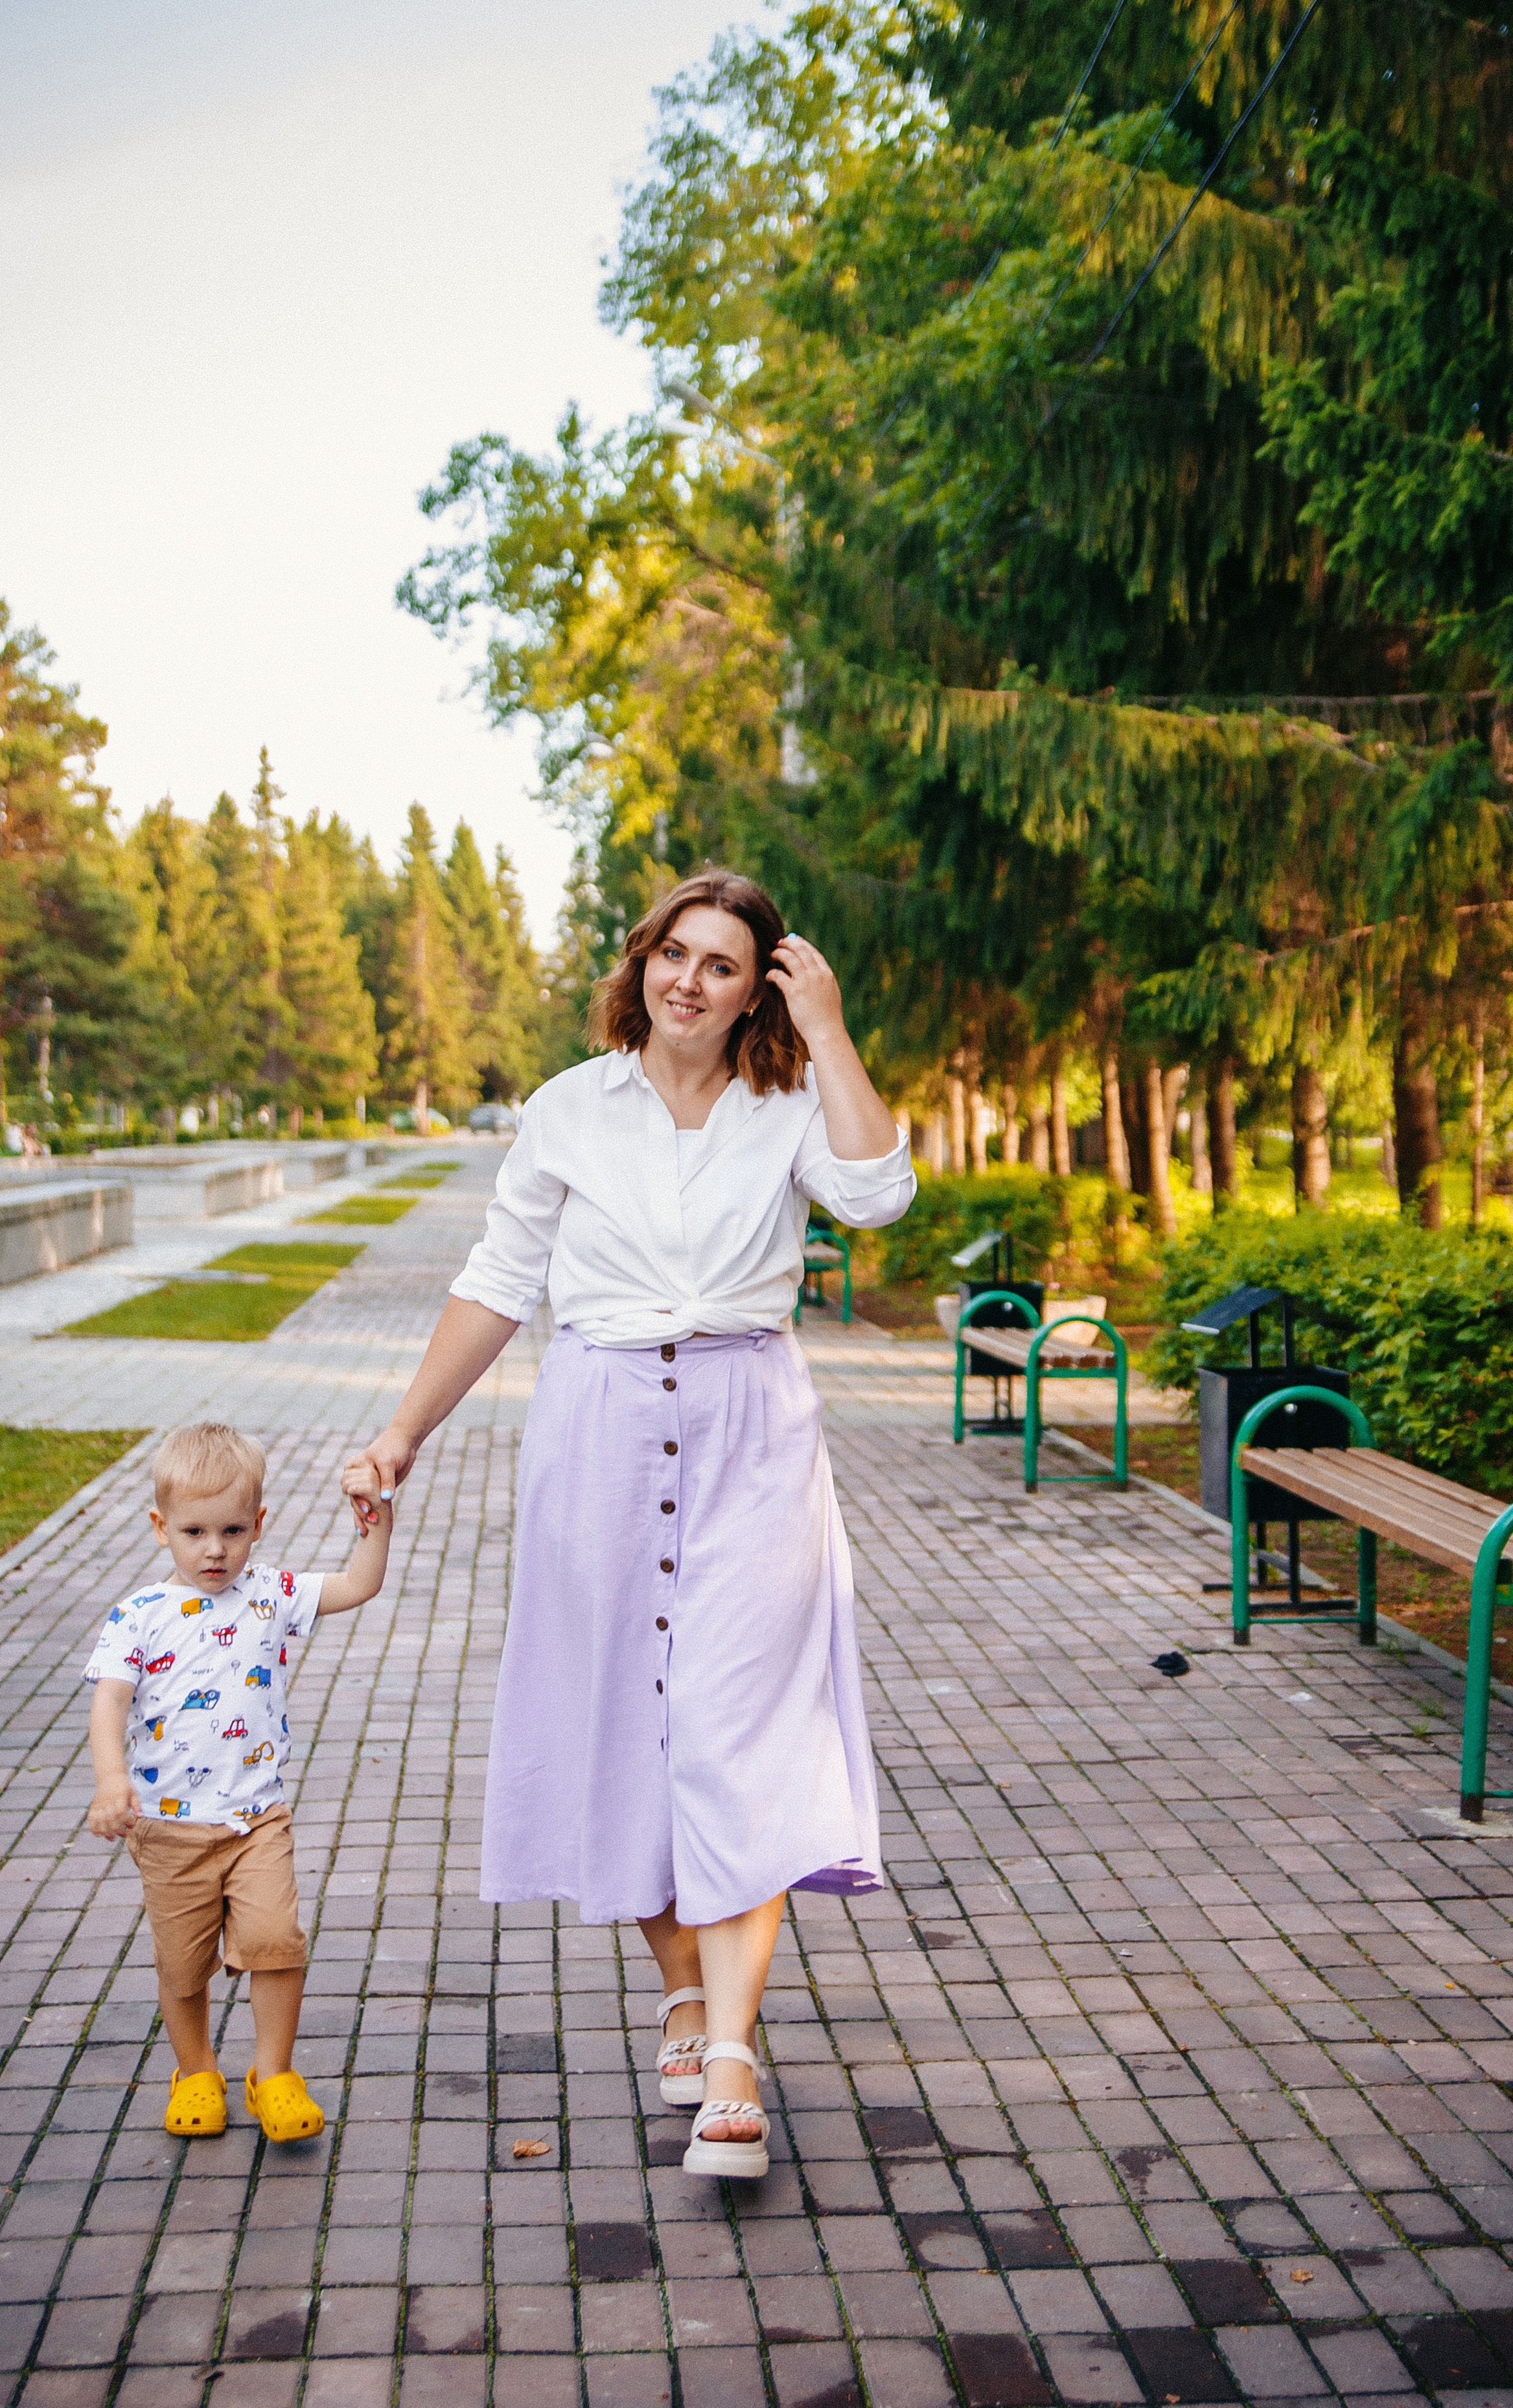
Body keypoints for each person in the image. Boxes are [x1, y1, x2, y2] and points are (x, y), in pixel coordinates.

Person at [341, 870, 914, 2179]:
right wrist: (402, 1430)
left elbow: (878, 1198)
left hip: (748, 1438)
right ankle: (682, 1991)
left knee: (737, 1738)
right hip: (596, 1431)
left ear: (756, 985)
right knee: (623, 1732)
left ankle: (729, 2066)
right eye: (674, 952)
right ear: (641, 961)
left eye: (722, 964)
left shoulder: (785, 1106)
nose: (689, 981)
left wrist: (827, 1032)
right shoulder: (565, 1108)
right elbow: (497, 1283)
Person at [84, 1421, 393, 2141]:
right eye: (194, 1531)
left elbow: (360, 1583)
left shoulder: (272, 1593)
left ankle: (274, 2075)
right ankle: (196, 2071)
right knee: (182, 1967)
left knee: (276, 1943)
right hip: (168, 1829)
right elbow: (110, 1700)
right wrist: (110, 1781)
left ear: (258, 1524)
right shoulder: (140, 1615)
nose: (215, 1549)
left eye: (231, 1530)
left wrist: (376, 1520)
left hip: (257, 1820)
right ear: (162, 1529)